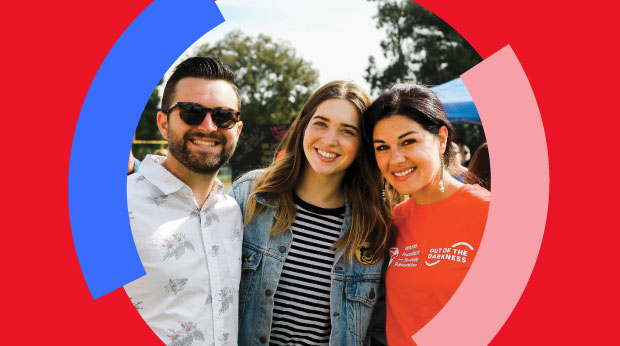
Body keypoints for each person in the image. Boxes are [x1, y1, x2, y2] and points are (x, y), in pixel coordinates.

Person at [229, 81, 391, 345]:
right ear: (304, 125)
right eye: (321, 123)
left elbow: (380, 329)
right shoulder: (250, 195)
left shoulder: (374, 224)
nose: (329, 140)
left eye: (347, 131)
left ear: (362, 145)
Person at [124, 56, 244, 346]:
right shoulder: (116, 206)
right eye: (192, 112)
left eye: (224, 116)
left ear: (237, 130)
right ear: (164, 124)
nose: (208, 126)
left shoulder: (234, 212)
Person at [364, 84, 490, 345]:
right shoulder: (394, 221)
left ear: (442, 139)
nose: (395, 159)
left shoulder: (488, 213)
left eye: (409, 141)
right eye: (382, 147)